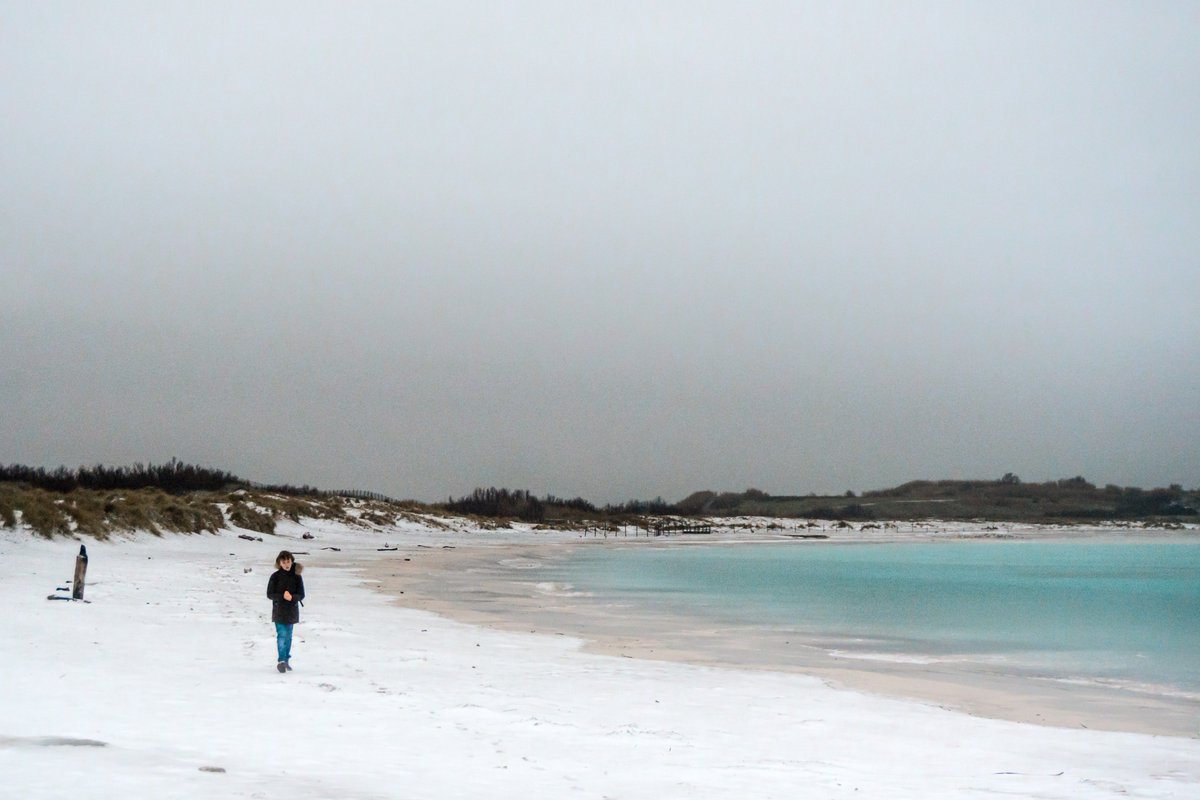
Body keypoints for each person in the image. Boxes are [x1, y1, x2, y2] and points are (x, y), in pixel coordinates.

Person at [266, 550, 305, 673]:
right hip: (279, 610)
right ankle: (281, 660)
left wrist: (292, 597)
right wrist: (282, 596)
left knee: (288, 637)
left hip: (292, 611)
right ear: (279, 563)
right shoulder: (275, 576)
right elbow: (269, 594)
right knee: (281, 635)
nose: (286, 564)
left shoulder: (297, 576)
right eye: (284, 562)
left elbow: (301, 595)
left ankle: (286, 659)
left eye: (288, 561)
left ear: (292, 561)